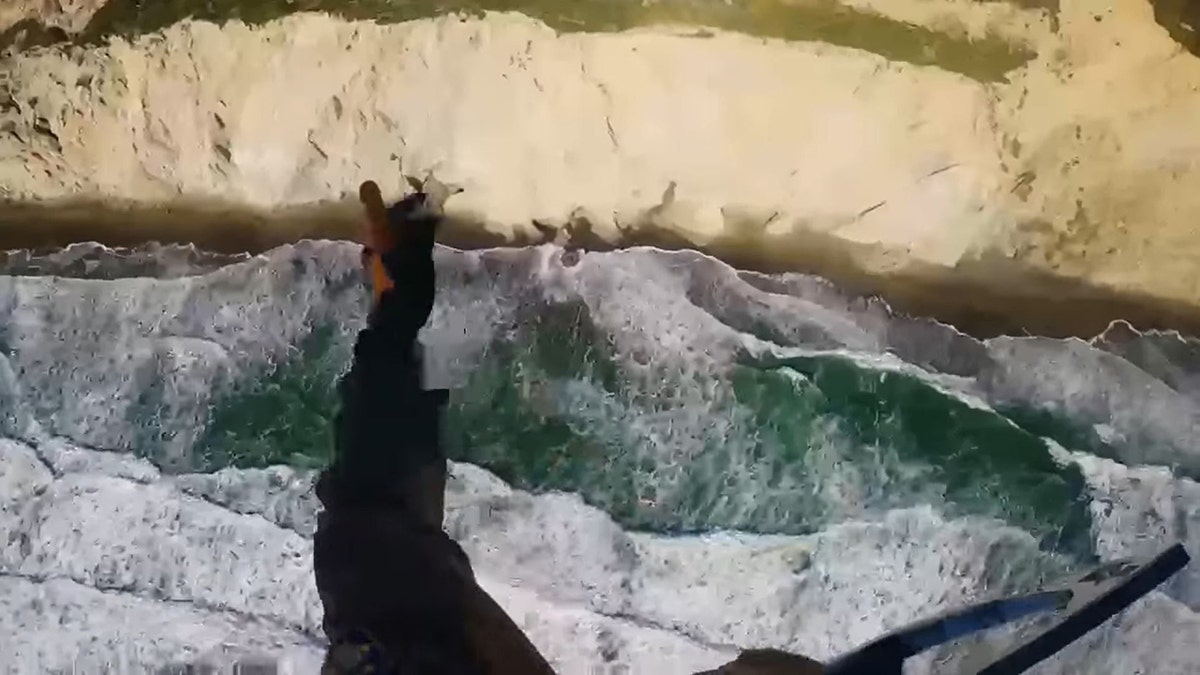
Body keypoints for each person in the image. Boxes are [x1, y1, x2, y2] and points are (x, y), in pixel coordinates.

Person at [312, 179, 826, 674]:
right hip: (391, 574)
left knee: (393, 368)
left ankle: (407, 260)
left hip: (383, 570)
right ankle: (407, 259)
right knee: (395, 372)